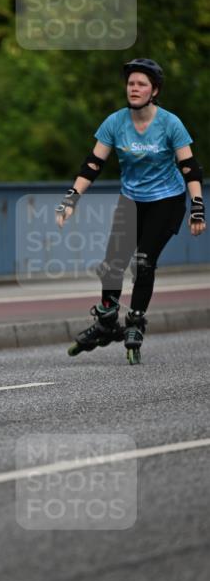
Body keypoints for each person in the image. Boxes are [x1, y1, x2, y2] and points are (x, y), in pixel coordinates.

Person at [57, 57, 205, 364]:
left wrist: (198, 207)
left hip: (167, 201)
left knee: (143, 262)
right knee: (112, 264)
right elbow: (93, 164)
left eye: (141, 84)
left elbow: (190, 168)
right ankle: (107, 321)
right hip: (132, 199)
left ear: (155, 91)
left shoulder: (170, 123)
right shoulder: (115, 122)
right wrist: (71, 198)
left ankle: (135, 323)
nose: (134, 89)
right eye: (131, 83)